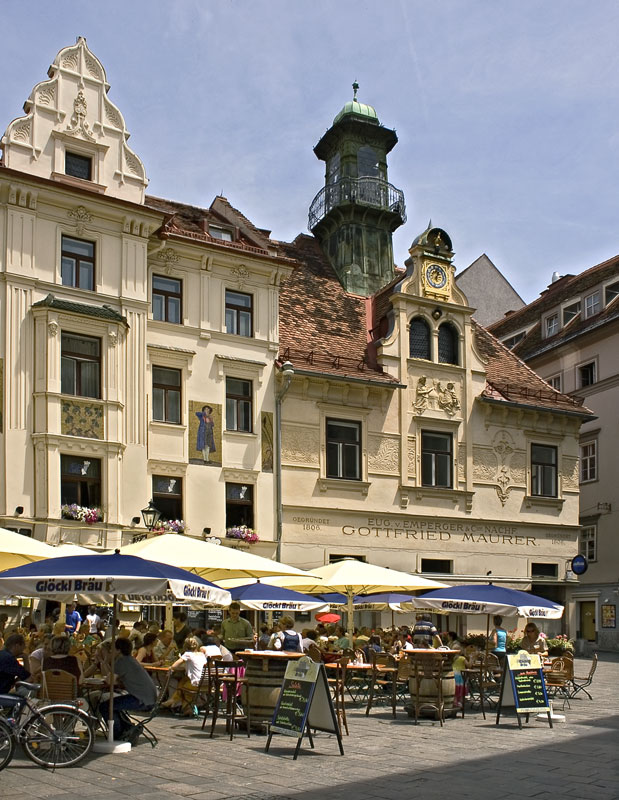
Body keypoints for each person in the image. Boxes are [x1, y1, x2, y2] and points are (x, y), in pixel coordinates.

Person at [103, 638, 157, 741]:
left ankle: (119, 733)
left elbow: (110, 681)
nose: (111, 651)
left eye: (113, 649)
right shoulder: (130, 659)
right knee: (115, 704)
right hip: (148, 698)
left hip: (142, 700)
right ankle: (128, 728)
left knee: (106, 706)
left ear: (118, 650)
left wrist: (105, 661)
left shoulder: (121, 661)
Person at [163, 636, 207, 716]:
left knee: (184, 688)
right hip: (206, 684)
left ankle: (176, 702)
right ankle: (181, 705)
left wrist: (171, 668)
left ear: (185, 646)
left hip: (196, 684)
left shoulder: (188, 654)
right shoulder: (201, 654)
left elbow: (174, 665)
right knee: (184, 680)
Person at [0, 633, 31, 705]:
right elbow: (28, 677)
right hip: (1, 695)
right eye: (23, 646)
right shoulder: (9, 659)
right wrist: (26, 658)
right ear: (17, 645)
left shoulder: (3, 654)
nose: (24, 649)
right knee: (24, 700)